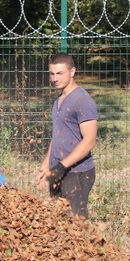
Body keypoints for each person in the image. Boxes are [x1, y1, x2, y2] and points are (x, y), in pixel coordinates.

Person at [35, 52, 98, 218]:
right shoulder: (59, 100)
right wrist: (46, 164)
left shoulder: (82, 101)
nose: (55, 78)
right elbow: (58, 135)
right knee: (58, 225)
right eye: (52, 74)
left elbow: (90, 140)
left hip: (77, 173)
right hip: (58, 171)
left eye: (60, 73)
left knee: (76, 228)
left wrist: (61, 167)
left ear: (72, 71)